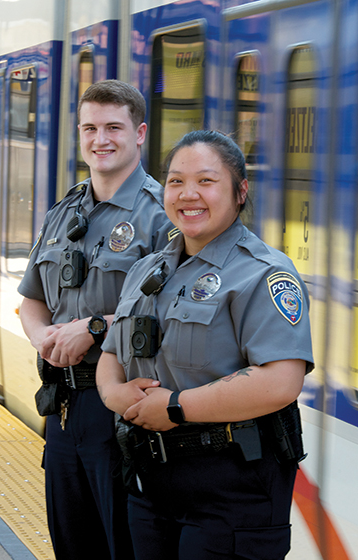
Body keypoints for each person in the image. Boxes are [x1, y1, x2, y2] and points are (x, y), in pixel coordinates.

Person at [96, 129, 314, 560]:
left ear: (240, 192)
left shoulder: (263, 273)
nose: (187, 194)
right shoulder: (146, 270)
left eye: (206, 181)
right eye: (175, 181)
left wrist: (175, 407)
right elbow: (111, 354)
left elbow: (280, 383)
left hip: (232, 488)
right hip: (151, 481)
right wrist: (114, 393)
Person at [18, 79, 176, 560]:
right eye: (90, 127)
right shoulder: (62, 212)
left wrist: (94, 327)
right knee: (71, 543)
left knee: (123, 545)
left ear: (140, 133)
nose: (100, 139)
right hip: (62, 407)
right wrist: (45, 336)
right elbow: (31, 299)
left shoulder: (162, 214)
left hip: (122, 410)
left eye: (114, 127)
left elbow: (173, 312)